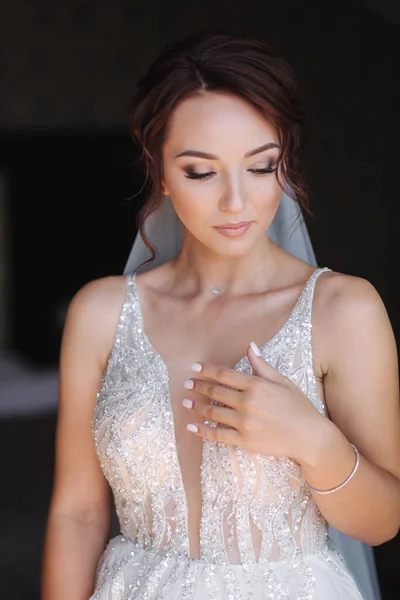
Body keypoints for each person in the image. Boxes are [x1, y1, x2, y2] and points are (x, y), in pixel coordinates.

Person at [41, 31, 400, 600]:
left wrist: (314, 440)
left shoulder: (344, 310)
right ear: (158, 170)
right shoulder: (101, 312)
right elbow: (78, 514)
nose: (236, 202)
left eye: (261, 167)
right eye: (201, 172)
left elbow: (381, 522)